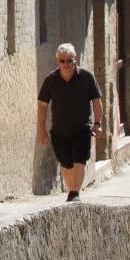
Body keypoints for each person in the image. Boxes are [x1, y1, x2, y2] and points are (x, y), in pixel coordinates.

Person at [36, 43, 106, 199]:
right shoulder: (51, 80)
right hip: (59, 130)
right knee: (66, 164)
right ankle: (72, 190)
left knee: (79, 160)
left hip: (82, 128)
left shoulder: (86, 77)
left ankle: (75, 192)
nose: (66, 64)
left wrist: (97, 123)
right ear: (58, 61)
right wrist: (41, 130)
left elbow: (96, 101)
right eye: (62, 61)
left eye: (69, 60)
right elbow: (42, 106)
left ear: (75, 59)